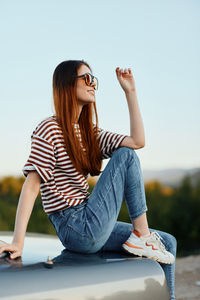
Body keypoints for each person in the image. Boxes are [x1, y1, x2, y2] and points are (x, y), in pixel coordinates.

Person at [0, 60, 177, 299]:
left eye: (94, 79)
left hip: (89, 220)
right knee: (125, 156)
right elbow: (32, 186)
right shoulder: (49, 129)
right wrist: (17, 243)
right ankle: (142, 237)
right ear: (66, 85)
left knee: (168, 242)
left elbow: (137, 141)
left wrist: (130, 92)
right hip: (74, 225)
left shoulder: (89, 133)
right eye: (86, 78)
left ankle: (154, 261)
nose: (93, 83)